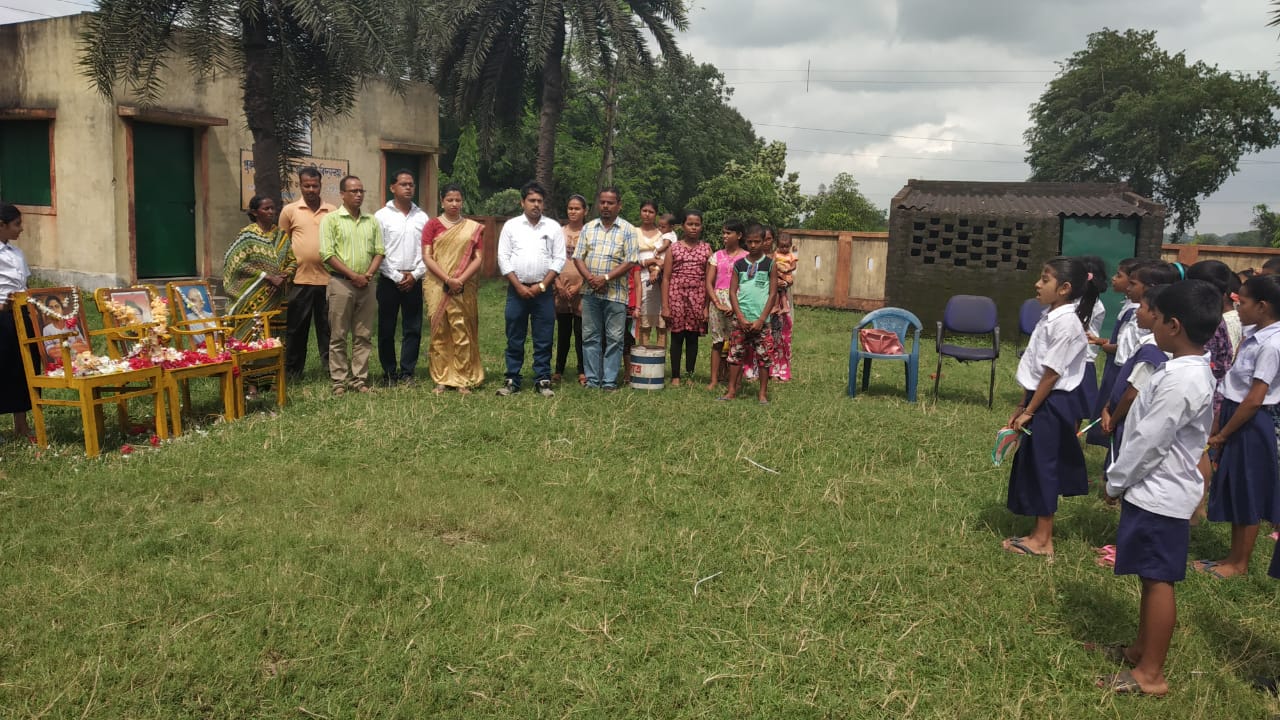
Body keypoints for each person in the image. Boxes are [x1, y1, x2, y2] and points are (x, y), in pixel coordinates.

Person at [1098, 279, 1219, 697]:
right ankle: (1140, 650)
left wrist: (1115, 482)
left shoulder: (1181, 381)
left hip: (1159, 495)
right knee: (1150, 578)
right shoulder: (1183, 370)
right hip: (1156, 491)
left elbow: (1149, 442)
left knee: (1157, 580)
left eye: (1158, 318)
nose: (1151, 326)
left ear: (1174, 325)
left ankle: (1151, 674)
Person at [1002, 257, 1100, 557]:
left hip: (1053, 403)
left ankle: (1043, 540)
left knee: (1044, 466)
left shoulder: (1067, 323)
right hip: (1039, 398)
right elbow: (1035, 367)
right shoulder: (1050, 316)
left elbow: (1051, 373)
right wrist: (1023, 403)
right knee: (1034, 463)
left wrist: (1031, 410)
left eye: (1045, 280)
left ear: (1064, 288)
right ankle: (1037, 532)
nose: (1037, 284)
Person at [1194, 274, 1280, 579]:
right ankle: (1231, 557)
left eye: (1242, 302)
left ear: (1263, 306)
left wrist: (1223, 433)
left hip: (1250, 422)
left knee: (1248, 491)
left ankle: (1240, 564)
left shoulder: (1271, 344)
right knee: (1237, 488)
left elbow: (1255, 398)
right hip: (1235, 415)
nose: (1237, 307)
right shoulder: (1253, 334)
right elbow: (1233, 384)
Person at [496, 180, 565, 397]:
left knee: (544, 336)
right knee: (514, 335)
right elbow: (503, 257)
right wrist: (518, 286)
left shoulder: (553, 227)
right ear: (522, 202)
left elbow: (559, 259)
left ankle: (542, 379)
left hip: (543, 293)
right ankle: (512, 379)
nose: (536, 204)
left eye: (539, 201)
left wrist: (542, 285)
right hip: (516, 291)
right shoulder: (511, 226)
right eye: (531, 200)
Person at [320, 175, 384, 395]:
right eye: (353, 191)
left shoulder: (371, 221)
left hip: (367, 284)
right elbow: (327, 254)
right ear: (342, 194)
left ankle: (359, 379)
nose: (358, 195)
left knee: (363, 335)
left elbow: (379, 251)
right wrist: (353, 276)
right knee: (338, 335)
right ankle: (339, 380)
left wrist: (367, 275)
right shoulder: (331, 220)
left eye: (361, 191)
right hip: (341, 284)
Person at [573, 187, 638, 391]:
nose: (606, 206)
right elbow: (578, 257)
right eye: (602, 202)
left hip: (616, 294)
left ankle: (609, 381)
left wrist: (606, 278)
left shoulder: (628, 230)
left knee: (615, 338)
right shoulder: (588, 228)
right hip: (590, 292)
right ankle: (593, 380)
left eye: (610, 203)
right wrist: (591, 279)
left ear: (619, 205)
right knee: (590, 337)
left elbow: (630, 261)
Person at [422, 184, 485, 394]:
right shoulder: (432, 225)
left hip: (463, 287)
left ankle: (462, 377)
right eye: (450, 200)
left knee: (461, 330)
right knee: (439, 330)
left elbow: (478, 258)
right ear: (442, 201)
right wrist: (448, 279)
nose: (454, 204)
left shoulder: (472, 228)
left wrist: (460, 280)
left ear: (462, 202)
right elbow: (427, 257)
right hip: (437, 285)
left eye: (458, 200)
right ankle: (441, 377)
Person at [1100, 285, 1171, 469]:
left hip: (1128, 421)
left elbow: (1132, 394)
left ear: (1155, 314)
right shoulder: (1147, 342)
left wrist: (1113, 419)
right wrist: (1108, 406)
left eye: (1141, 307)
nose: (1137, 312)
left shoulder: (1152, 349)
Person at [279, 166, 336, 380]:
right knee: (296, 329)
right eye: (307, 186)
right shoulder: (290, 211)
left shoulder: (332, 211)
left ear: (321, 186)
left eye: (315, 185)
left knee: (328, 329)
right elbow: (281, 246)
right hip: (299, 280)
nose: (311, 189)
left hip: (327, 280)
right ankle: (293, 372)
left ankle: (332, 370)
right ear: (300, 186)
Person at [373, 169, 428, 386]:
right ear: (392, 187)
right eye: (403, 184)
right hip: (389, 280)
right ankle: (389, 373)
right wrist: (396, 276)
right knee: (386, 328)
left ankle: (407, 372)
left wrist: (415, 275)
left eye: (411, 184)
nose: (408, 188)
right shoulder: (381, 216)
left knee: (413, 328)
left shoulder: (422, 217)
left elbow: (427, 252)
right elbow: (378, 250)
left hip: (414, 279)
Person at [719, 224, 777, 404]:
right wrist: (740, 317)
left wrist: (761, 319)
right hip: (741, 320)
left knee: (764, 357)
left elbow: (773, 293)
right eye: (750, 242)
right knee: (735, 355)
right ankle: (731, 390)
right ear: (745, 241)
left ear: (763, 241)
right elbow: (732, 292)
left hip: (761, 321)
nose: (753, 245)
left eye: (757, 241)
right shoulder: (740, 264)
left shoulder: (769, 264)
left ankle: (762, 394)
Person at [1087, 257, 1141, 447]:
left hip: (1120, 369)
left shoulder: (1136, 312)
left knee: (1112, 412)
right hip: (1114, 366)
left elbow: (1125, 349)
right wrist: (1101, 341)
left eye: (1119, 275)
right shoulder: (1128, 306)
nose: (1113, 278)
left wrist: (1105, 346)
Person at [661, 209, 712, 387]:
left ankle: (689, 375)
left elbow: (709, 279)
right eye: (690, 224)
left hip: (698, 296)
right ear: (683, 226)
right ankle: (675, 375)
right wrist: (665, 306)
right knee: (677, 336)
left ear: (701, 226)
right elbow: (666, 278)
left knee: (692, 337)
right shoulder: (673, 248)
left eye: (697, 224)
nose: (693, 227)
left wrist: (706, 307)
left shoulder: (706, 249)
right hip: (676, 295)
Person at [222, 195, 289, 329]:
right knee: (253, 334)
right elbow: (235, 262)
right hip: (252, 295)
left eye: (273, 208)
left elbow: (292, 260)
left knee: (276, 336)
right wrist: (267, 277)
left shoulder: (281, 235)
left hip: (277, 294)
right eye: (266, 209)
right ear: (254, 212)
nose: (271, 212)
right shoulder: (247, 236)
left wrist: (283, 276)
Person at [0, 203, 33, 440]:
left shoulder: (17, 253)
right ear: (1, 225)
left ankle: (21, 425)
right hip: (1, 316)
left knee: (22, 368)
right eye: (16, 224)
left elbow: (24, 285)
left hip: (20, 316)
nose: (21, 229)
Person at [705, 219, 746, 390]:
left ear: (739, 235)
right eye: (723, 233)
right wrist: (716, 303)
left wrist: (735, 306)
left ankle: (735, 381)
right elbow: (709, 282)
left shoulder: (746, 257)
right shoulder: (716, 256)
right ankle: (714, 379)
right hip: (718, 302)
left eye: (729, 233)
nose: (724, 236)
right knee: (717, 342)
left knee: (737, 342)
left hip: (738, 302)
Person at [553, 195, 587, 386]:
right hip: (561, 289)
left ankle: (582, 370)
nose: (573, 211)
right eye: (570, 208)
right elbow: (551, 259)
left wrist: (580, 285)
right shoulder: (559, 232)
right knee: (563, 332)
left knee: (581, 333)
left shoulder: (589, 233)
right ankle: (559, 370)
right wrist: (557, 284)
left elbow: (592, 262)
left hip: (582, 290)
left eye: (577, 208)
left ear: (585, 211)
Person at [635, 200, 669, 348]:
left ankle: (659, 357)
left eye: (651, 212)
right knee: (645, 319)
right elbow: (631, 257)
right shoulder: (633, 232)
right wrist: (650, 261)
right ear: (640, 212)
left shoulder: (663, 235)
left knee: (662, 322)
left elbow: (667, 257)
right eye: (644, 211)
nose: (647, 214)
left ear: (656, 214)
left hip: (660, 280)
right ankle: (643, 354)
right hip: (639, 278)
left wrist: (656, 269)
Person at [771, 229, 798, 381]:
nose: (784, 248)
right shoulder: (775, 254)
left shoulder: (790, 256)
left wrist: (788, 269)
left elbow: (793, 266)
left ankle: (783, 306)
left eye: (786, 246)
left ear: (790, 246)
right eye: (781, 246)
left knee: (782, 290)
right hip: (777, 276)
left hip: (785, 276)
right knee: (777, 291)